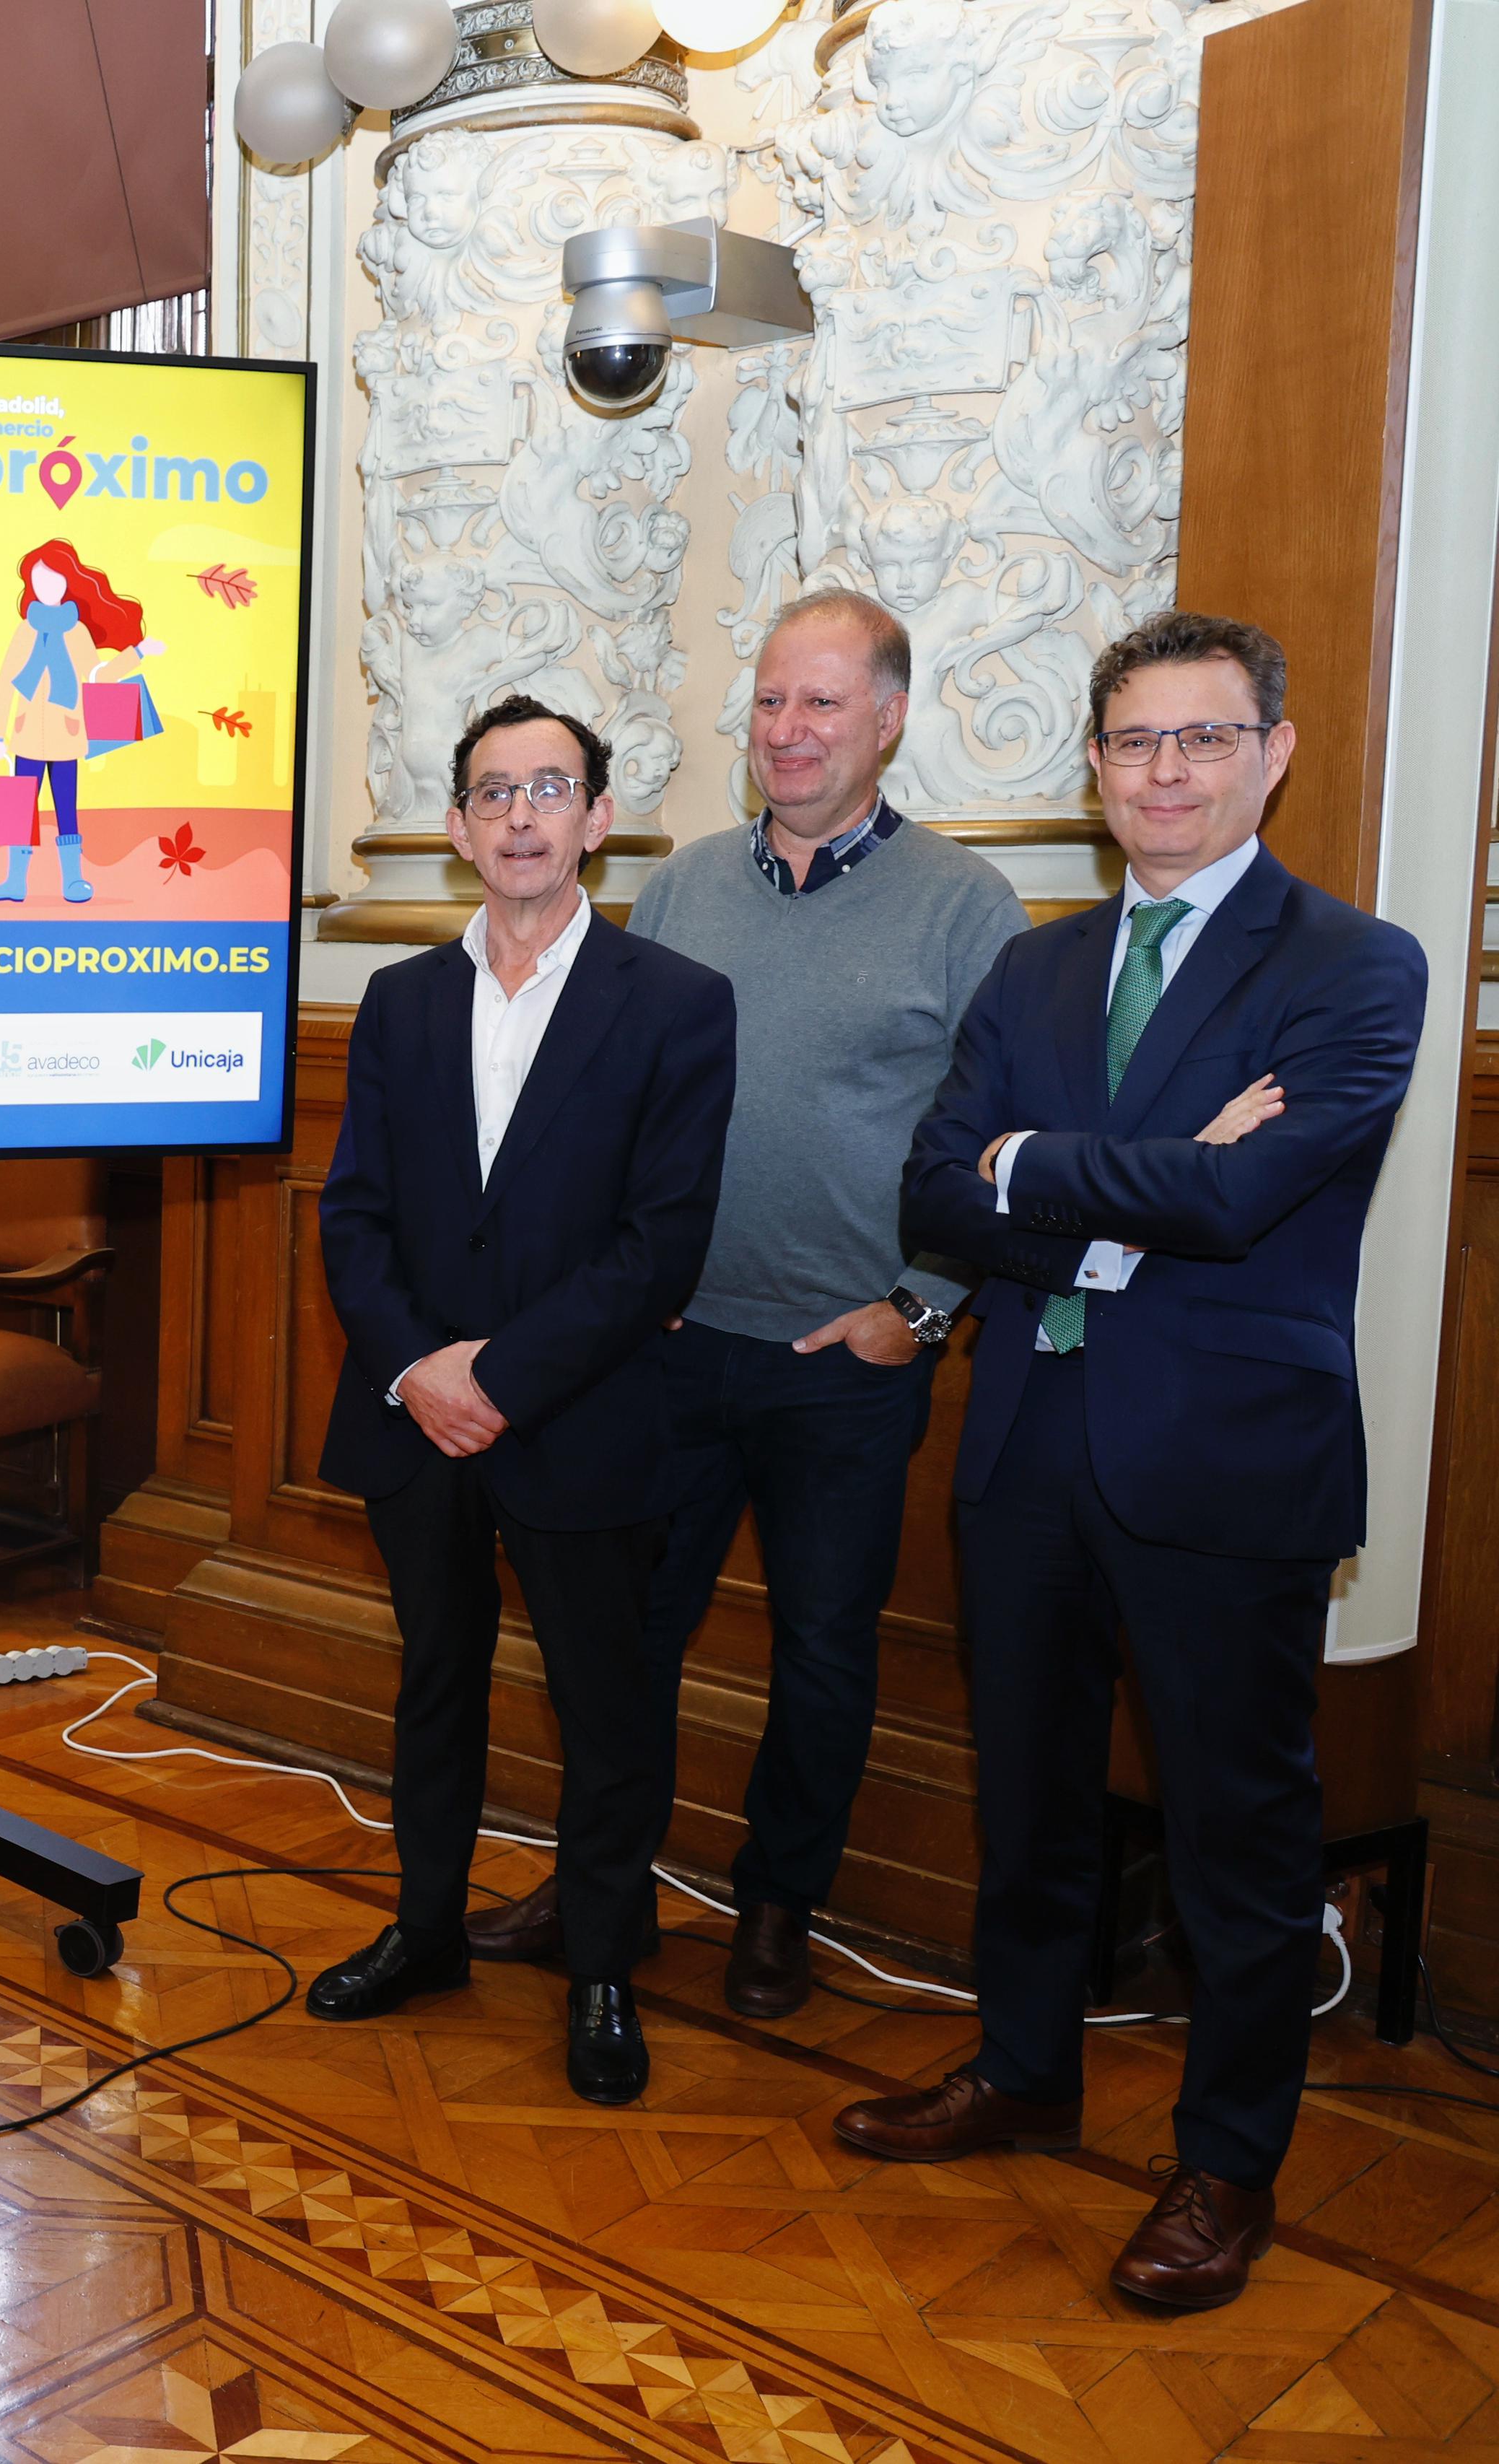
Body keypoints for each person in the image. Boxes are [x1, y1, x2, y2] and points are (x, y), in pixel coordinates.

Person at [846, 610, 1426, 2307]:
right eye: (1132, 741)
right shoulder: (1033, 967)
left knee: (1234, 1836)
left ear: (1272, 753)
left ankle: (1225, 2165)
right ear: (1093, 764)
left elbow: (1247, 1201)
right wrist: (1125, 1183)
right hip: (1025, 1442)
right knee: (1025, 1800)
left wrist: (1035, 1165)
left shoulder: (1352, 965)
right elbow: (932, 1188)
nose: (1164, 772)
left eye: (1202, 738)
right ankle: (1024, 2070)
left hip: (1221, 1464)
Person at [461, 592, 1026, 2013]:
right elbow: (610, 1103)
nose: (788, 729)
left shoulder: (968, 907)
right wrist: (614, 1287)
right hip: (662, 1346)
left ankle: (779, 1905)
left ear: (888, 719)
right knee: (621, 1639)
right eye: (772, 699)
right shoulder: (683, 885)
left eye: (822, 702)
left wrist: (924, 1307)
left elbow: (1001, 1137)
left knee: (823, 1649)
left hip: (846, 1359)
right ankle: (601, 1883)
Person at [307, 694, 736, 2105]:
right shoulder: (401, 1000)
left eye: (549, 788)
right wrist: (418, 1369)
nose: (520, 815)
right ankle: (426, 1929)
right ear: (456, 826)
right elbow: (353, 1215)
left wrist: (496, 1376)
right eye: (492, 792)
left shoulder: (677, 1003)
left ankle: (602, 1964)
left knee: (605, 1706)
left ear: (597, 819)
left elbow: (658, 1245)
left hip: (583, 1416)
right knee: (435, 1683)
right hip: (415, 1416)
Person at [0, 538, 154, 904]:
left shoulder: (77, 632)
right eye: (38, 579)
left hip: (67, 737)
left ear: (68, 582)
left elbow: (97, 677)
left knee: (66, 810)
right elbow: (6, 681)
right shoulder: (25, 630)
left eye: (54, 578)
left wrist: (136, 654)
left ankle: (73, 880)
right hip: (26, 737)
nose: (46, 585)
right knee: (20, 812)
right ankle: (15, 881)